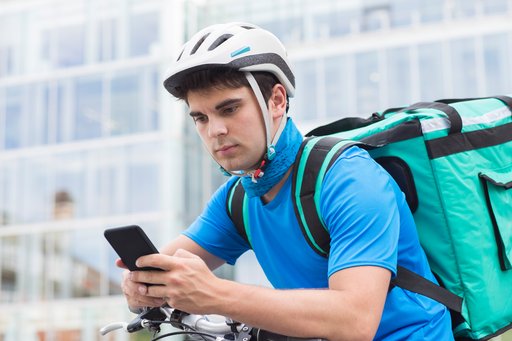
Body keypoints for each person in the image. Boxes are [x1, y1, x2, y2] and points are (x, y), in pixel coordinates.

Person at [117, 22, 453, 340]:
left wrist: (215, 293)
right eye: (201, 118)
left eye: (229, 109)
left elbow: (355, 320)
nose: (215, 131)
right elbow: (166, 266)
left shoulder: (348, 178)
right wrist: (140, 289)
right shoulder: (236, 200)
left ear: (276, 101)